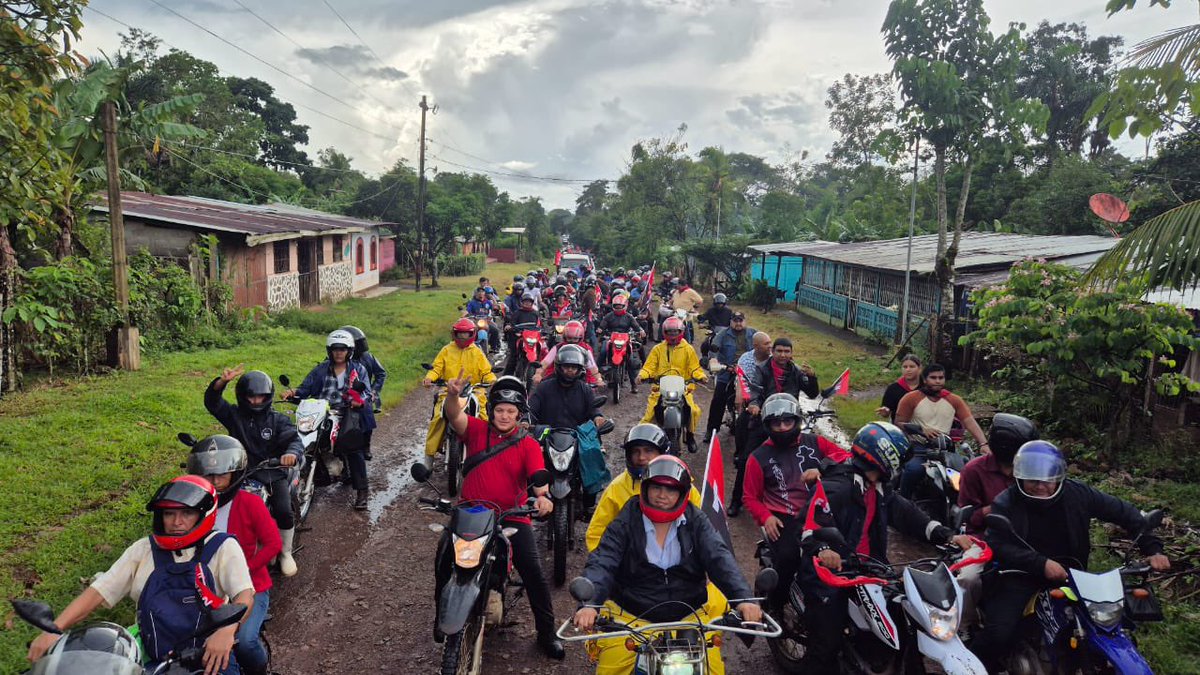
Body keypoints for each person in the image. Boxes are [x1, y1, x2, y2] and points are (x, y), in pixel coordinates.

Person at [972, 441, 1171, 671]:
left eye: (1047, 480)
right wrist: (1040, 563)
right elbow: (997, 542)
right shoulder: (1006, 502)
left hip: (1073, 576)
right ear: (1019, 477)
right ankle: (970, 666)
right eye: (1033, 480)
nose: (1040, 486)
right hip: (1020, 576)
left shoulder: (1078, 494)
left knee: (1109, 625)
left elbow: (1125, 513)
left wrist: (1153, 548)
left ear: (1058, 477)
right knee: (999, 634)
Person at [27, 476, 255, 675]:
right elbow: (98, 591)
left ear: (204, 514)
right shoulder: (143, 549)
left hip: (210, 656)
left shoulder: (223, 546)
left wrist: (227, 630)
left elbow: (244, 595)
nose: (177, 522)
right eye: (169, 513)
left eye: (187, 513)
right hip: (150, 656)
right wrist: (53, 630)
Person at [801, 422, 973, 671]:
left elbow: (909, 515)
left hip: (871, 568)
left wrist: (946, 535)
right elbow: (811, 527)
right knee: (827, 642)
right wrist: (824, 550)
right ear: (885, 457)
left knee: (907, 621)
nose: (901, 467)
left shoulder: (881, 488)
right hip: (831, 574)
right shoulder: (837, 487)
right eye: (899, 460)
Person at [573, 455, 762, 675]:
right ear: (645, 488)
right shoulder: (626, 519)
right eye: (656, 487)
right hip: (632, 616)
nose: (662, 495)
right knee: (612, 668)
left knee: (713, 669)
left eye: (671, 490)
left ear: (682, 493)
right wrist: (590, 603)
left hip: (689, 616)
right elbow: (604, 560)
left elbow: (720, 558)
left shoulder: (696, 520)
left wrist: (744, 599)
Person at [436, 374, 564, 659]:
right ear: (491, 410)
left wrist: (543, 498)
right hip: (470, 513)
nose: (505, 416)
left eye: (511, 411)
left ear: (519, 414)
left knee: (533, 573)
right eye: (500, 410)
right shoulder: (476, 430)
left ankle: (547, 633)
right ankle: (441, 616)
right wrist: (453, 396)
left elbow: (538, 480)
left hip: (512, 517)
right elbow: (455, 416)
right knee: (445, 559)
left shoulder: (528, 444)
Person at [742, 395, 850, 609]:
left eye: (787, 422)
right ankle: (774, 607)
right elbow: (750, 497)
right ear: (768, 425)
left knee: (849, 552)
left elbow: (844, 456)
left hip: (821, 510)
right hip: (785, 517)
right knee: (788, 558)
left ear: (797, 421)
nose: (782, 427)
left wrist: (822, 467)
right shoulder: (758, 456)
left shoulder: (816, 442)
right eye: (776, 423)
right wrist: (766, 517)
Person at [186, 436, 280, 675]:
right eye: (208, 475)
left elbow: (272, 543)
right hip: (202, 588)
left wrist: (242, 570)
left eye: (222, 475)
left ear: (236, 474)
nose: (215, 482)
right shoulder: (190, 506)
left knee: (247, 642)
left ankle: (261, 670)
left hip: (250, 585)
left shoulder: (250, 503)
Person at [205, 367, 303, 575]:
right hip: (239, 471)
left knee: (284, 511)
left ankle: (285, 552)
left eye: (261, 397)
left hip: (272, 470)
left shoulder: (279, 420)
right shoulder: (234, 415)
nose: (256, 401)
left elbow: (294, 440)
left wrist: (290, 454)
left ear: (268, 397)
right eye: (251, 397)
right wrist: (221, 383)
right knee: (219, 504)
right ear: (243, 397)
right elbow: (212, 403)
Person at [285, 329, 375, 510]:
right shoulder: (320, 370)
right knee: (303, 438)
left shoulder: (358, 370)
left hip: (347, 412)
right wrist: (292, 392)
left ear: (349, 351)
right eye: (335, 349)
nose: (339, 352)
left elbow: (366, 392)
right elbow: (305, 387)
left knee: (354, 448)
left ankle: (362, 491)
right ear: (330, 350)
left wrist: (360, 401)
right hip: (321, 411)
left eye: (342, 349)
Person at [894, 363, 989, 498]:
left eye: (941, 377)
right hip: (919, 448)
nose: (938, 381)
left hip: (946, 449)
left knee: (965, 474)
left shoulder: (954, 400)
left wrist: (983, 444)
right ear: (925, 379)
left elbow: (969, 422)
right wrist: (921, 429)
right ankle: (902, 503)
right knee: (913, 470)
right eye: (933, 378)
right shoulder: (911, 398)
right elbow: (898, 423)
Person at [422, 318, 497, 467]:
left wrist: (493, 380)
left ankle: (488, 453)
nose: (463, 338)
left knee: (484, 417)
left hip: (474, 391)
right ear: (454, 334)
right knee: (438, 417)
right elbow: (436, 368)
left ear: (473, 334)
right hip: (449, 391)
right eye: (460, 334)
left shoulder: (477, 352)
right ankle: (428, 459)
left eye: (466, 334)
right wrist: (429, 378)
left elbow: (486, 371)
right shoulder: (446, 350)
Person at [637, 316, 707, 453]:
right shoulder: (658, 349)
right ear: (664, 332)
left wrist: (701, 376)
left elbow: (694, 367)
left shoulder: (688, 349)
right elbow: (649, 366)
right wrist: (642, 375)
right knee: (649, 415)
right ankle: (642, 441)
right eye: (670, 332)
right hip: (660, 389)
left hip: (684, 388)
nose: (673, 335)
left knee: (693, 411)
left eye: (675, 332)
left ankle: (690, 435)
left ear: (681, 331)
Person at [746, 337, 819, 454]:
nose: (783, 355)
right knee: (748, 451)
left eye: (787, 352)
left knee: (803, 451)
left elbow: (812, 394)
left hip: (790, 417)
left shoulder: (797, 371)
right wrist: (754, 404)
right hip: (766, 416)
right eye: (779, 351)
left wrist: (812, 377)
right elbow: (755, 389)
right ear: (772, 352)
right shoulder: (761, 369)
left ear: (791, 353)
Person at [729, 331, 773, 516]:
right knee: (746, 459)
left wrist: (809, 377)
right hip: (757, 414)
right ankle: (736, 501)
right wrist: (753, 404)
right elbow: (748, 386)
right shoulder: (757, 367)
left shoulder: (790, 369)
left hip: (781, 419)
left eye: (786, 352)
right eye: (769, 346)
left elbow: (806, 392)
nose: (780, 355)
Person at [703, 311, 756, 443]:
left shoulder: (753, 334)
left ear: (745, 321)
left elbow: (763, 348)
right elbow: (713, 349)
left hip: (748, 373)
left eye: (740, 320)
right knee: (718, 400)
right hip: (727, 371)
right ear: (731, 321)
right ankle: (712, 430)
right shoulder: (723, 334)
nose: (738, 323)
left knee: (756, 399)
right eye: (735, 320)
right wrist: (713, 361)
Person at [528, 345, 606, 431]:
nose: (570, 370)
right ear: (559, 366)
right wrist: (526, 421)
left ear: (579, 368)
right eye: (566, 366)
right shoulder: (543, 387)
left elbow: (593, 408)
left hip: (577, 437)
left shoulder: (585, 389)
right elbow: (532, 408)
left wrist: (598, 417)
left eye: (574, 367)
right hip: (546, 436)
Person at [342, 325, 386, 461]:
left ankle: (366, 446)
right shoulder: (336, 360)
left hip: (364, 395)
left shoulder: (368, 357)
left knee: (367, 416)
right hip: (343, 395)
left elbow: (381, 373)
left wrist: (374, 390)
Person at [596, 293, 646, 393]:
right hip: (611, 338)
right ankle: (597, 373)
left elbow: (636, 326)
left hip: (626, 339)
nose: (618, 308)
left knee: (630, 361)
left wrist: (640, 330)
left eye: (620, 306)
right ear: (613, 306)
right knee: (602, 351)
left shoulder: (629, 317)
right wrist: (600, 329)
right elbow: (603, 325)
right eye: (616, 306)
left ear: (625, 306)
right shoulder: (609, 316)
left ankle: (633, 384)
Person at [534, 319, 603, 386]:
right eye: (569, 338)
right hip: (557, 379)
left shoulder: (585, 349)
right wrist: (538, 374)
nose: (572, 341)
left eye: (575, 339)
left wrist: (599, 379)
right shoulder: (558, 347)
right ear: (565, 337)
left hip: (580, 381)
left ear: (581, 338)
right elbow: (545, 362)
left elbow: (592, 367)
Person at [875, 353, 922, 423]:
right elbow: (886, 411)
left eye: (912, 367)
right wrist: (885, 412)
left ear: (919, 369)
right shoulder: (893, 388)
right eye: (905, 367)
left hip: (924, 427)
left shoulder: (927, 388)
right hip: (899, 428)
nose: (908, 370)